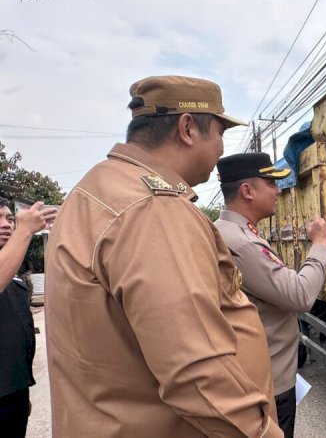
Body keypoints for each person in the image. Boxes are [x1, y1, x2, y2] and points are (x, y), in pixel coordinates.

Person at [44, 76, 283, 437]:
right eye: (219, 131)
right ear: (188, 128)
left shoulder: (98, 190)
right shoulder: (152, 209)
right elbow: (196, 373)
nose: (221, 147)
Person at [215, 152, 326, 438]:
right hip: (269, 382)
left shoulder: (237, 233)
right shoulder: (240, 242)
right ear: (247, 191)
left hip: (268, 373)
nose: (278, 190)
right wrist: (320, 245)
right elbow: (300, 295)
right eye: (271, 183)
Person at [0, 199, 56, 438]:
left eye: (9, 219)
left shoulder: (17, 284)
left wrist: (22, 396)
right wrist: (24, 230)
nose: (6, 225)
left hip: (13, 397)